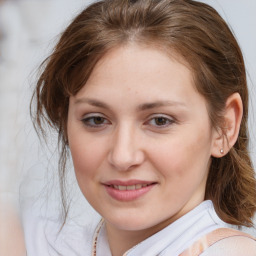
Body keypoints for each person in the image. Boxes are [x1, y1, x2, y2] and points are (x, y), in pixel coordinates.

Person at [27, 0, 256, 255]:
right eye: (96, 119)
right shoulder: (42, 243)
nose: (123, 156)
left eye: (160, 120)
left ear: (225, 127)